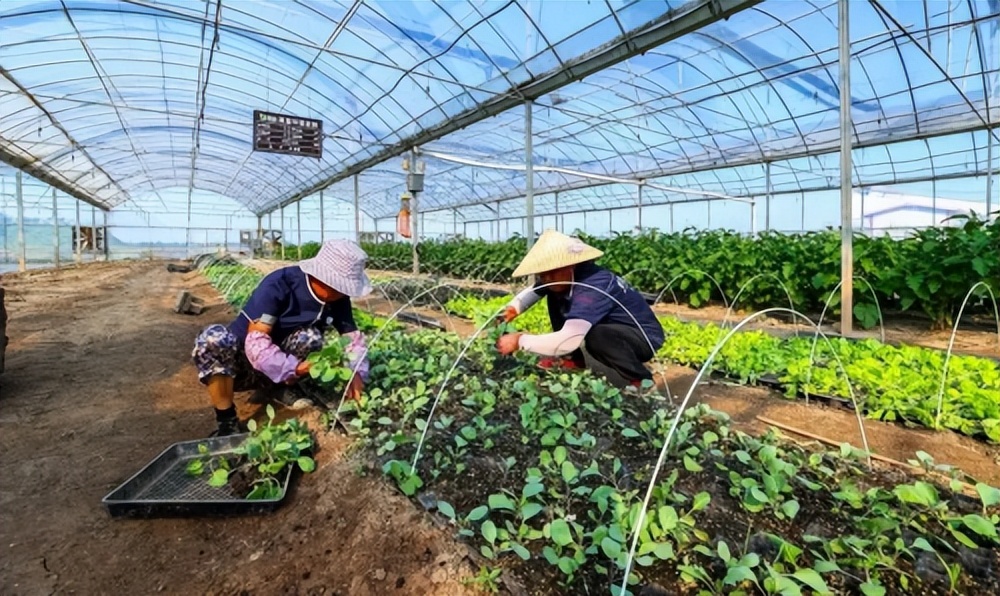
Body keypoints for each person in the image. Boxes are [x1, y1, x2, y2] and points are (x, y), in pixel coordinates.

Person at [192, 240, 372, 436]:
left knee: (309, 338)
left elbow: (352, 338)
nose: (345, 292)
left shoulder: (338, 298)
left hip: (283, 370)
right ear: (324, 277)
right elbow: (256, 342)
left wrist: (356, 371)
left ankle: (278, 388)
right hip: (239, 367)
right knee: (214, 339)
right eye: (342, 286)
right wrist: (294, 368)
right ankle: (226, 419)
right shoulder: (280, 284)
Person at [495, 229, 664, 388]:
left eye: (552, 272)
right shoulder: (561, 277)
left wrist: (520, 341)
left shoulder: (594, 284)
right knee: (555, 292)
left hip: (643, 337)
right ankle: (573, 360)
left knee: (597, 337)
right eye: (542, 273)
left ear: (572, 264)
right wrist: (511, 310)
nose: (547, 278)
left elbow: (571, 338)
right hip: (612, 327)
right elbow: (534, 291)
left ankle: (642, 380)